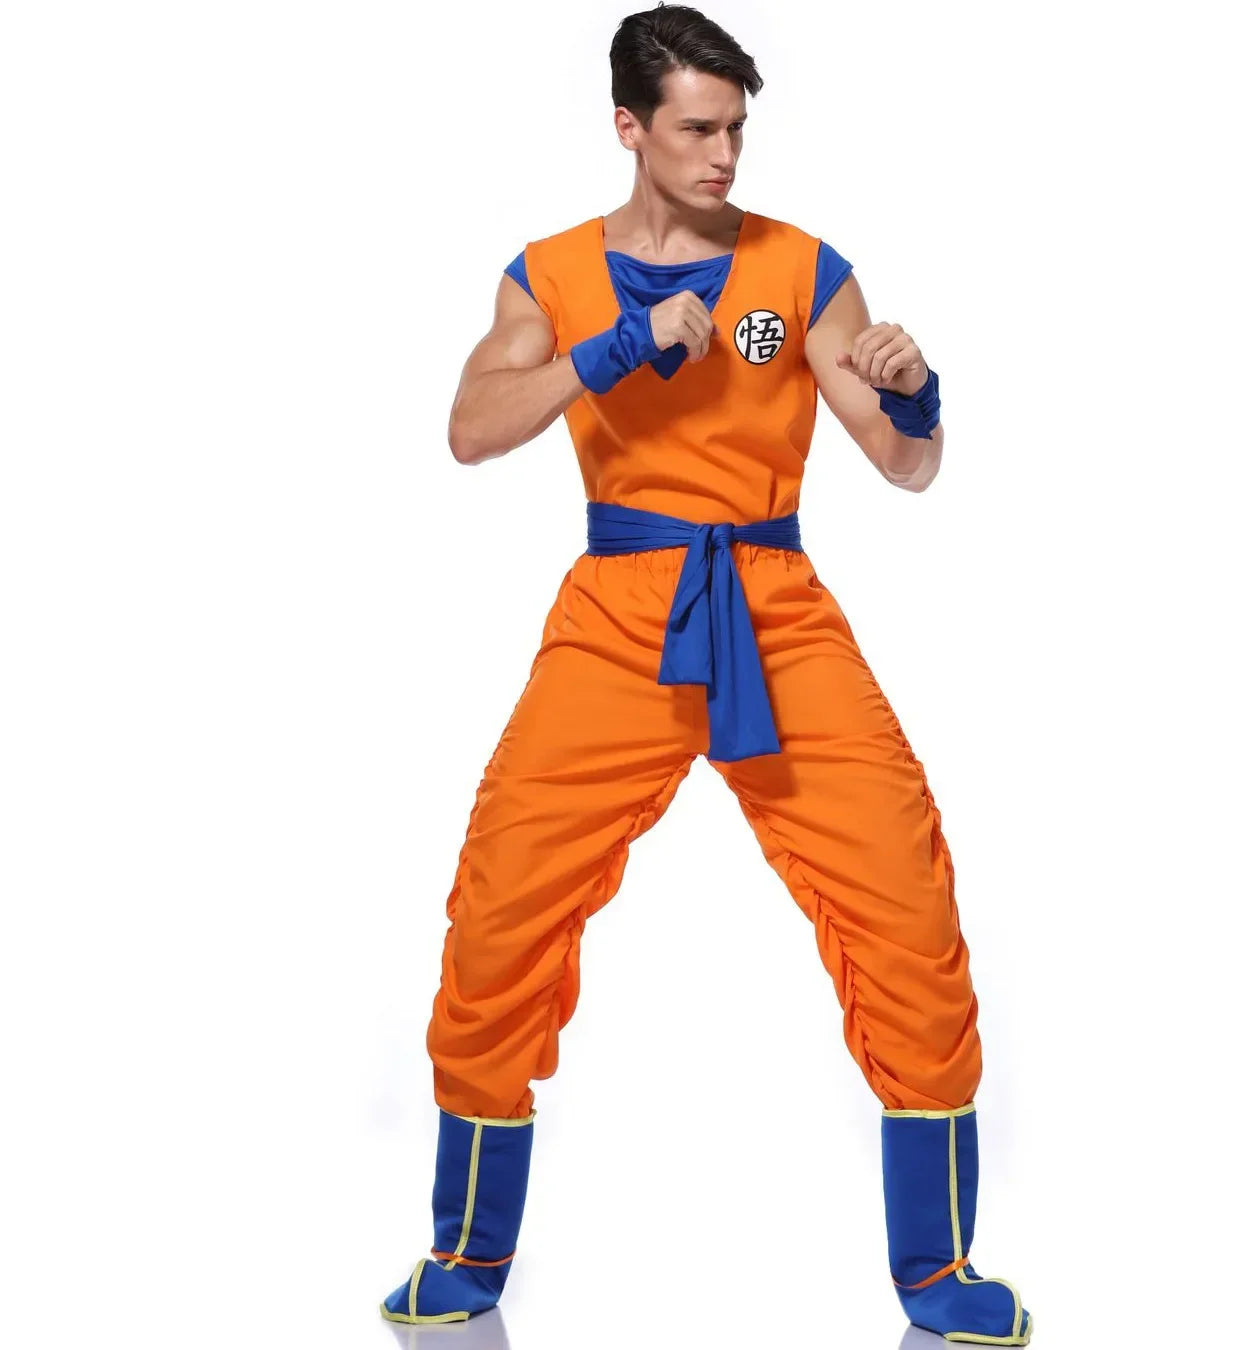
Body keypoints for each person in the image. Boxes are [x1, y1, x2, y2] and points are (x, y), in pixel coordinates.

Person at [380, 5, 1031, 1344]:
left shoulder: (803, 269)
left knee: (905, 899)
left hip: (773, 604)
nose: (725, 152)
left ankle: (939, 1270)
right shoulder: (549, 274)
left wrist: (914, 393)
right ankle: (464, 1253)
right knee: (501, 906)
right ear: (628, 126)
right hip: (617, 613)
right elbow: (469, 429)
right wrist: (612, 350)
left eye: (737, 127)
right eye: (696, 127)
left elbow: (905, 465)